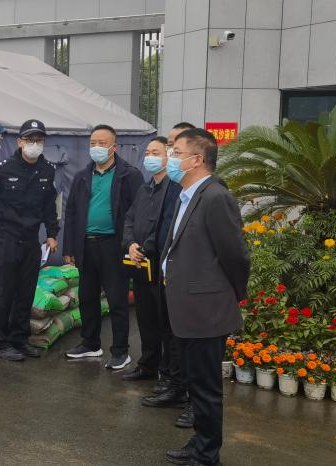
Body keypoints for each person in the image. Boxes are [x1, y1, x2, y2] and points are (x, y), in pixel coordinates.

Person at [160, 128, 250, 466]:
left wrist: (230, 294)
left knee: (206, 387)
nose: (170, 159)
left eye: (176, 153)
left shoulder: (215, 197)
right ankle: (200, 442)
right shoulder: (186, 195)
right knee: (195, 383)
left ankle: (207, 453)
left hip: (206, 310)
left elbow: (236, 255)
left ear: (197, 160)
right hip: (187, 308)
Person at [62, 124, 144, 369]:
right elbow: (71, 212)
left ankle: (120, 350)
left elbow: (138, 212)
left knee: (117, 299)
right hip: (86, 245)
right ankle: (90, 343)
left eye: (102, 143)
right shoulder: (82, 176)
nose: (96, 147)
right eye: (92, 143)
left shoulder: (129, 175)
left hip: (114, 246)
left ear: (114, 147)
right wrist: (69, 248)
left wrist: (132, 243)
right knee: (87, 297)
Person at [0, 119, 59, 362]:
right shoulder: (2, 169)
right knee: (5, 292)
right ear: (19, 142)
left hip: (31, 239)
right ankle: (0, 342)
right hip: (7, 238)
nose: (34, 144)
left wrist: (52, 233)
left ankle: (20, 338)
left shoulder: (47, 170)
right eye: (30, 139)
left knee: (26, 292)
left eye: (39, 140)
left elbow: (49, 205)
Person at [139, 123, 195, 430]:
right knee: (169, 334)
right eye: (170, 147)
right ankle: (173, 385)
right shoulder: (175, 187)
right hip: (164, 271)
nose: (171, 153)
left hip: (188, 280)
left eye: (175, 148)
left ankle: (191, 399)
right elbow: (162, 227)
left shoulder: (208, 193)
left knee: (187, 342)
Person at [120, 136, 172, 383]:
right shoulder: (144, 188)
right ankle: (148, 364)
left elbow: (166, 225)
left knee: (164, 321)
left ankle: (168, 371)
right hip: (139, 264)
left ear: (168, 157)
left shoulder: (173, 189)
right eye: (148, 153)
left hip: (159, 265)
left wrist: (145, 247)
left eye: (156, 153)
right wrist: (130, 244)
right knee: (145, 318)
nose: (150, 157)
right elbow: (129, 219)